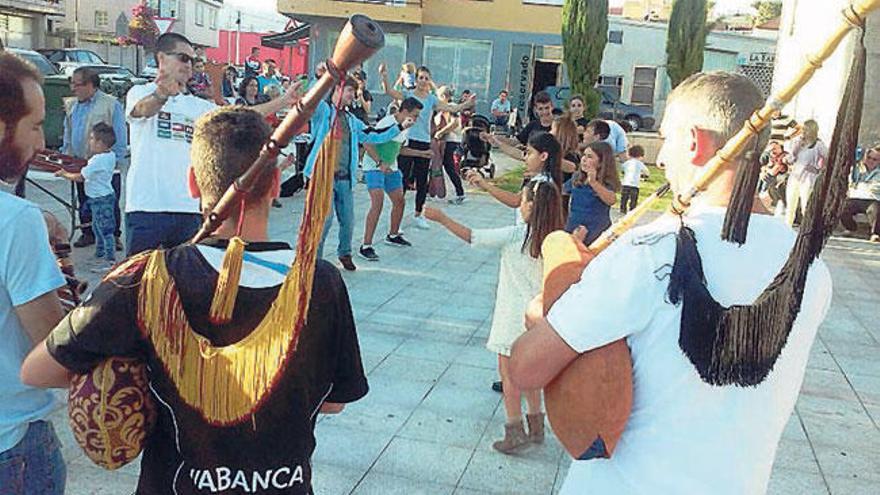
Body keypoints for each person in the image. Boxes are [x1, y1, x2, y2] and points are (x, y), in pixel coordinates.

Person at [509, 72, 833, 494]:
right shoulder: (810, 269)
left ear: (696, 142)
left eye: (668, 140)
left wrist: (546, 308)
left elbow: (525, 367)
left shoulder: (648, 252)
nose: (662, 160)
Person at [20, 105, 369, 495]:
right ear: (274, 186)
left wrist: (140, 376)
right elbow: (335, 401)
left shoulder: (147, 278)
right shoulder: (320, 283)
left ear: (192, 183)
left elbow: (37, 371)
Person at [423, 178, 565, 454]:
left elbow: (473, 236)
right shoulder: (555, 239)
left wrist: (441, 218)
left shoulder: (515, 235)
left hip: (512, 319)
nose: (520, 205)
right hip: (539, 322)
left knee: (509, 376)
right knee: (533, 375)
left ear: (532, 206)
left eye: (523, 200)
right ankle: (537, 426)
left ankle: (514, 430)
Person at [125, 32, 297, 256]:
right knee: (137, 282)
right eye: (183, 58)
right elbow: (141, 111)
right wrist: (162, 94)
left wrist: (283, 101)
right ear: (161, 59)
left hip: (188, 210)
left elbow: (241, 115)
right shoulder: (140, 92)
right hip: (147, 208)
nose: (190, 66)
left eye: (193, 60)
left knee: (184, 285)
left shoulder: (196, 106)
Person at [0, 51, 67, 495]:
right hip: (13, 450)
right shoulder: (15, 220)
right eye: (36, 125)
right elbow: (59, 355)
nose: (41, 143)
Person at [303, 76, 412, 272]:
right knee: (323, 221)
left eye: (354, 92)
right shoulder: (324, 112)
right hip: (323, 177)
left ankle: (345, 253)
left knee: (348, 221)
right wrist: (325, 76)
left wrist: (399, 127)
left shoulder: (352, 120)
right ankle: (314, 261)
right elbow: (312, 99)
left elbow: (374, 135)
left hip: (344, 178)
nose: (353, 95)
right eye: (350, 91)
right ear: (337, 90)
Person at [379, 63, 475, 229]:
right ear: (416, 79)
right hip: (407, 140)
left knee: (422, 181)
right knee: (402, 180)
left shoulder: (431, 99)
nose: (423, 81)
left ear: (429, 81)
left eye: (426, 78)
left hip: (424, 141)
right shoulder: (408, 95)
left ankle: (418, 214)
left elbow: (451, 107)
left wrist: (466, 105)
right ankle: (397, 218)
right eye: (420, 78)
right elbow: (389, 91)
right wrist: (384, 76)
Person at [62, 66, 127, 250]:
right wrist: (66, 155)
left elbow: (120, 136)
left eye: (78, 84)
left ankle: (113, 236)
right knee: (85, 201)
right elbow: (68, 130)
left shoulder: (110, 104)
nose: (73, 88)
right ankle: (88, 232)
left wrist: (114, 162)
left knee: (108, 201)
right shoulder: (72, 105)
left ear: (91, 85)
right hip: (81, 163)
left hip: (106, 165)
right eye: (71, 84)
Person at [358, 97, 424, 262]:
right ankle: (366, 246)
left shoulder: (406, 128)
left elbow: (400, 150)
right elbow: (367, 142)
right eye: (415, 115)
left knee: (399, 201)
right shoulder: (386, 123)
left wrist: (422, 154)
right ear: (405, 112)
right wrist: (379, 163)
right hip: (373, 166)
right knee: (377, 202)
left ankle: (393, 235)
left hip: (391, 167)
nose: (416, 119)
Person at [55, 123, 119, 272]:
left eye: (92, 138)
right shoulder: (110, 155)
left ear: (100, 143)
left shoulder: (98, 160)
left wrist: (64, 174)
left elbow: (81, 177)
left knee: (105, 230)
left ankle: (109, 261)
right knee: (97, 227)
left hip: (100, 199)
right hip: (102, 197)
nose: (89, 141)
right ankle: (100, 253)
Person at [469, 131, 564, 211]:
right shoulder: (545, 177)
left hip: (527, 231)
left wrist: (485, 184)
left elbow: (515, 201)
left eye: (529, 153)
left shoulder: (541, 182)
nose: (525, 158)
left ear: (543, 156)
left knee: (471, 233)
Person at [564, 141, 620, 244]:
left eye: (590, 157)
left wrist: (593, 183)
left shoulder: (605, 181)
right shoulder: (577, 178)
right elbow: (562, 191)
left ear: (601, 163)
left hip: (596, 230)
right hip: (574, 226)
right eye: (583, 155)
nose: (584, 159)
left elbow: (611, 200)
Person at [784, 120, 827, 226]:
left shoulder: (818, 145)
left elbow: (828, 157)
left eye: (806, 129)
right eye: (803, 129)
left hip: (808, 177)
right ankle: (787, 226)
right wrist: (795, 150)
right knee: (790, 205)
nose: (804, 132)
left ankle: (807, 227)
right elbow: (789, 160)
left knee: (806, 205)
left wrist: (818, 169)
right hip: (794, 175)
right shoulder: (796, 142)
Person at [839, 144, 880, 242]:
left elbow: (876, 187)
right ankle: (851, 228)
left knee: (875, 210)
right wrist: (864, 186)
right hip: (856, 197)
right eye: (869, 157)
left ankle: (875, 233)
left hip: (872, 198)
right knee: (842, 207)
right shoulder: (857, 169)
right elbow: (850, 183)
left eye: (875, 159)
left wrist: (859, 186)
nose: (871, 161)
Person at [434, 87, 466, 204]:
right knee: (440, 165)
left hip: (450, 140)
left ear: (443, 97)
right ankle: (432, 190)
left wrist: (440, 132)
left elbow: (454, 123)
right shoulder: (444, 108)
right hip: (445, 141)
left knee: (449, 167)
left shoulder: (451, 107)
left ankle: (460, 192)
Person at [758, 140, 789, 212]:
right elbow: (763, 165)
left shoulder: (784, 156)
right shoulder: (768, 156)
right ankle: (763, 193)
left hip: (781, 179)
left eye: (775, 149)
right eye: (771, 149)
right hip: (770, 179)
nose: (772, 151)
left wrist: (767, 170)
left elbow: (777, 170)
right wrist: (763, 170)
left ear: (780, 148)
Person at [619, 144, 649, 214]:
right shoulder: (640, 164)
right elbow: (647, 172)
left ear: (630, 155)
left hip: (626, 184)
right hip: (635, 185)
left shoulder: (627, 163)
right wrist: (643, 176)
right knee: (633, 199)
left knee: (624, 198)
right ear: (641, 156)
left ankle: (622, 209)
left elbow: (622, 169)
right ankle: (632, 210)